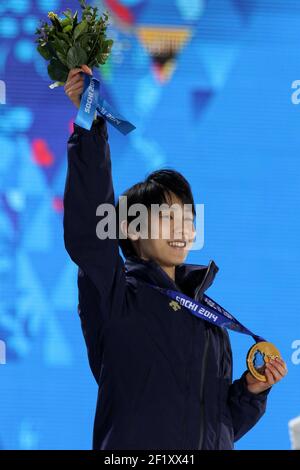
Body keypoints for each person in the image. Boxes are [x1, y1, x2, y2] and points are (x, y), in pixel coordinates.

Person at [63, 66, 287, 450]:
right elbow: (90, 224)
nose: (182, 228)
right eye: (167, 218)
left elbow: (215, 428)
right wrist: (90, 124)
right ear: (131, 228)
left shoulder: (209, 321)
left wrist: (250, 392)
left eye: (187, 218)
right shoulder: (116, 293)